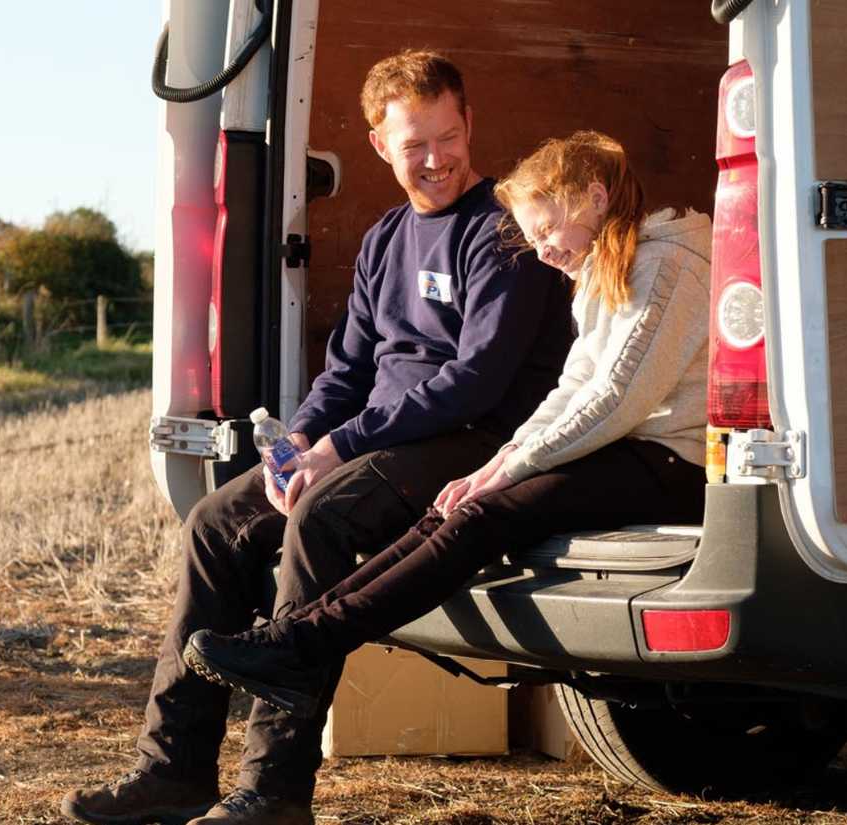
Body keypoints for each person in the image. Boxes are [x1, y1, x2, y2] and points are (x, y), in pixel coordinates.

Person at [60, 51, 573, 825]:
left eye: (446, 137)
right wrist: (299, 441)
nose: (434, 159)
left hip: (477, 438)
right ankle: (173, 768)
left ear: (468, 124)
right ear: (379, 145)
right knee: (215, 525)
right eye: (414, 146)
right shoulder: (385, 239)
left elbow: (476, 381)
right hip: (386, 440)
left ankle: (274, 788)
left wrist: (337, 451)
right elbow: (347, 371)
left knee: (323, 514)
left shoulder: (502, 234)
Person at [181, 131, 712, 723]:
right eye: (532, 238)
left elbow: (613, 401)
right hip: (624, 450)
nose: (542, 252)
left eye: (545, 231)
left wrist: (508, 468)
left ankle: (300, 643)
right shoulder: (607, 268)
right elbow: (572, 387)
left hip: (670, 460)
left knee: (485, 514)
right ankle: (298, 639)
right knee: (454, 506)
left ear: (592, 197)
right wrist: (497, 463)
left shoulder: (668, 265)